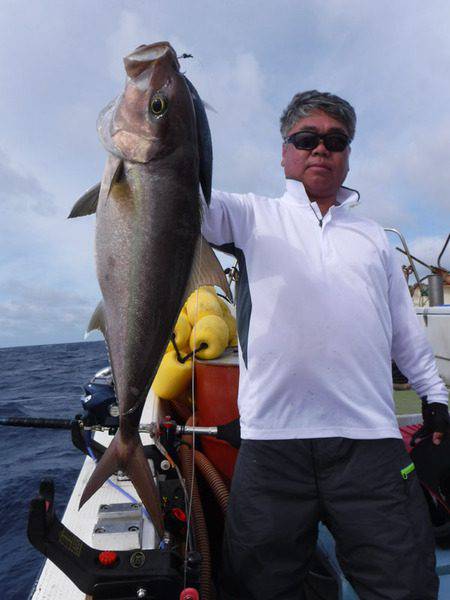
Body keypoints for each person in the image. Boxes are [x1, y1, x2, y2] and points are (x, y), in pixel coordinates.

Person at [200, 90, 450, 600]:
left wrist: (435, 396)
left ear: (347, 155)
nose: (321, 150)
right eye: (307, 139)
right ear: (285, 152)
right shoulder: (248, 216)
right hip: (271, 444)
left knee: (405, 583)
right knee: (256, 587)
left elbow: (403, 326)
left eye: (335, 141)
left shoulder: (373, 237)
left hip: (370, 442)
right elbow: (182, 195)